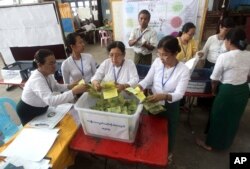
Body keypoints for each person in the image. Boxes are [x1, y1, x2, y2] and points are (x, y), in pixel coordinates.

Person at [196, 28, 250, 151]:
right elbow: (249, 76)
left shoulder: (224, 57)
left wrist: (214, 90)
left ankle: (210, 144)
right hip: (243, 91)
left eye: (225, 40)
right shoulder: (249, 55)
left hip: (227, 92)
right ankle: (226, 143)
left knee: (218, 117)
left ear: (229, 41)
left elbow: (214, 79)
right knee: (233, 119)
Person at [138, 35, 190, 162]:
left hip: (170, 106)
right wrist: (139, 86)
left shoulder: (183, 70)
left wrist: (165, 96)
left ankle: (168, 153)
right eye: (159, 54)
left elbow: (179, 94)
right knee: (152, 127)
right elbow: (147, 80)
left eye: (165, 55)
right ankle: (152, 149)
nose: (161, 58)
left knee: (169, 131)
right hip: (154, 102)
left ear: (175, 53)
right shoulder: (157, 62)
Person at [16, 49, 88, 125]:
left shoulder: (47, 73)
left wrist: (70, 86)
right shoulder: (36, 80)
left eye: (54, 62)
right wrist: (73, 91)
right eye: (51, 63)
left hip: (42, 108)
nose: (54, 66)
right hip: (28, 111)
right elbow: (51, 101)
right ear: (40, 65)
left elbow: (55, 86)